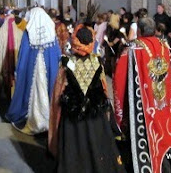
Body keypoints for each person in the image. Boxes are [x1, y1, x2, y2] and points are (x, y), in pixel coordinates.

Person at [114, 18, 171, 172]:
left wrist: (120, 114)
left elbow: (119, 79)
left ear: (140, 32)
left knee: (146, 138)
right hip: (164, 102)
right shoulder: (164, 46)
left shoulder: (132, 49)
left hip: (145, 105)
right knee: (167, 133)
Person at [48, 25, 125, 173]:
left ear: (75, 40)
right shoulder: (97, 62)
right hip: (95, 114)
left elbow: (58, 90)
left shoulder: (66, 62)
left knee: (73, 144)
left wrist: (56, 113)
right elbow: (103, 88)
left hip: (72, 115)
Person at [6, 7, 61, 135]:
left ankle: (33, 117)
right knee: (48, 88)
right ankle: (49, 119)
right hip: (48, 66)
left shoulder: (29, 31)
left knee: (32, 89)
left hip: (33, 66)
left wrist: (20, 68)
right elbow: (56, 52)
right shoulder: (51, 30)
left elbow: (24, 53)